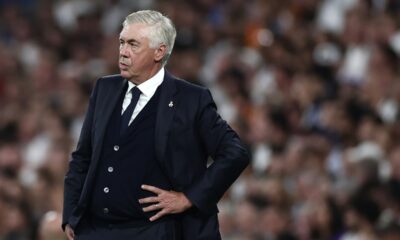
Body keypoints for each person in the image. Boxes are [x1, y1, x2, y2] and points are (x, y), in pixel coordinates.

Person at [62, 10, 249, 240]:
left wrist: (189, 197)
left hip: (156, 232)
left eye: (133, 44)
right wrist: (71, 215)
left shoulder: (190, 99)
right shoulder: (104, 88)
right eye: (121, 42)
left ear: (159, 51)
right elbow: (83, 156)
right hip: (96, 230)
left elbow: (235, 153)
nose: (123, 52)